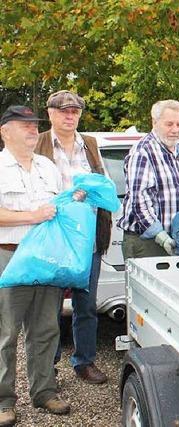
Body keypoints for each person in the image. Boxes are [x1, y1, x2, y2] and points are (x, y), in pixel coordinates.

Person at [0, 106, 70, 425]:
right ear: (5, 131)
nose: (32, 129)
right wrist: (32, 216)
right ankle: (4, 400)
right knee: (6, 332)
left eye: (34, 125)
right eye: (24, 125)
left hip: (46, 258)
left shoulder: (47, 166)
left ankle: (44, 392)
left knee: (45, 329)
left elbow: (61, 207)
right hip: (9, 256)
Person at [35, 90, 110, 384]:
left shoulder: (89, 144)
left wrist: (93, 191)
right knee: (49, 308)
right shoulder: (39, 142)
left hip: (87, 239)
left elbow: (103, 183)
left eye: (75, 111)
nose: (70, 116)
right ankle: (48, 367)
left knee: (86, 304)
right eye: (63, 111)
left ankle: (84, 361)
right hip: (52, 238)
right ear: (51, 113)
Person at [118, 100, 179, 259]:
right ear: (154, 122)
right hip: (147, 243)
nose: (175, 130)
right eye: (169, 124)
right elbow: (139, 200)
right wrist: (160, 235)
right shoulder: (142, 151)